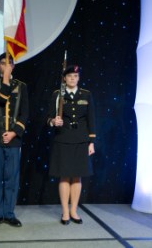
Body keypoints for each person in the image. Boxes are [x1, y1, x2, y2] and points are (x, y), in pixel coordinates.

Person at [0, 53, 29, 228]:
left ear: (14, 66)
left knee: (11, 178)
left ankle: (9, 213)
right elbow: (0, 98)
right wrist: (6, 78)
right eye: (3, 63)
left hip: (13, 138)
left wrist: (14, 132)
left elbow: (25, 113)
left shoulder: (22, 86)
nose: (6, 66)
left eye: (10, 63)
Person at [47, 65, 96, 225]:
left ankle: (74, 210)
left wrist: (91, 142)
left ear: (79, 78)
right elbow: (48, 117)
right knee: (64, 176)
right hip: (63, 138)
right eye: (69, 76)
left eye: (75, 76)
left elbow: (91, 120)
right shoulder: (57, 94)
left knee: (77, 176)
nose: (72, 79)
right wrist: (54, 121)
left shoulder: (86, 95)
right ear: (64, 78)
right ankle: (65, 212)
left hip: (81, 140)